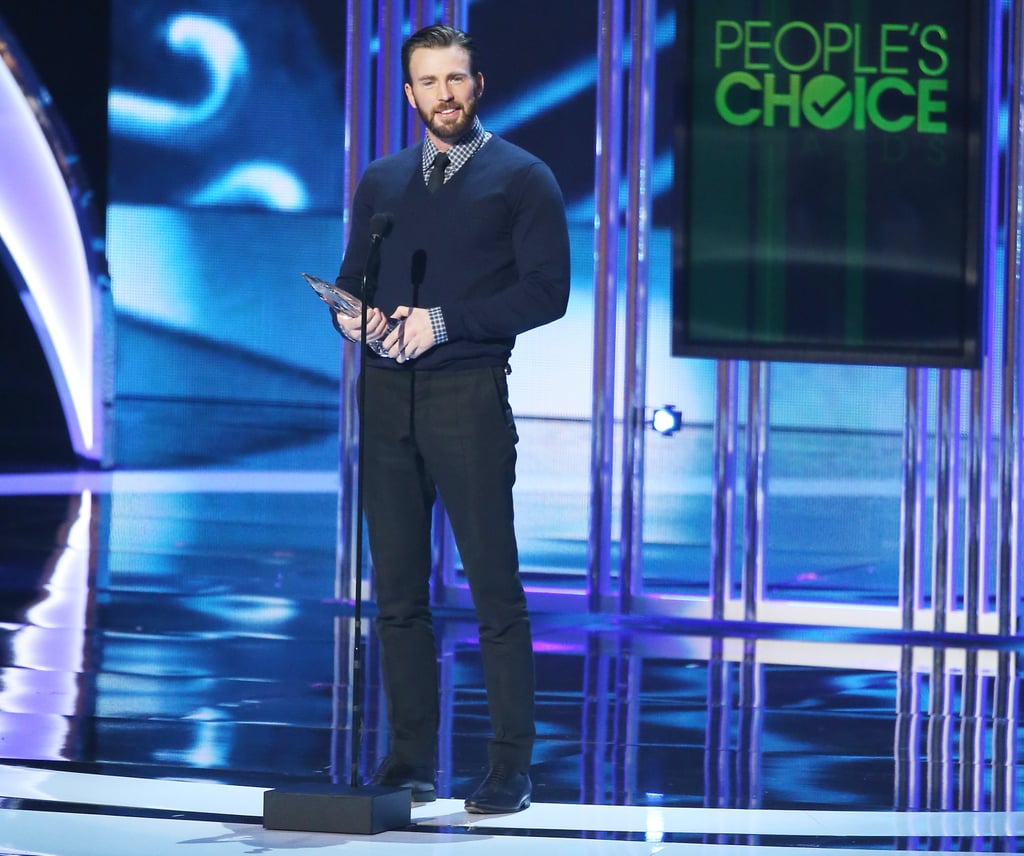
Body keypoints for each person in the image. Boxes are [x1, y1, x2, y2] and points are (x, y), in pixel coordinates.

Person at [331, 24, 571, 814]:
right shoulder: (383, 181)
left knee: (492, 588)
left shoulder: (523, 178)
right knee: (396, 591)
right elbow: (353, 281)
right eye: (429, 82)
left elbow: (547, 293)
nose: (444, 95)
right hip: (385, 396)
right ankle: (407, 760)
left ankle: (508, 766)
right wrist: (353, 318)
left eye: (456, 79)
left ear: (478, 85)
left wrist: (443, 322)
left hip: (466, 394)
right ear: (408, 95)